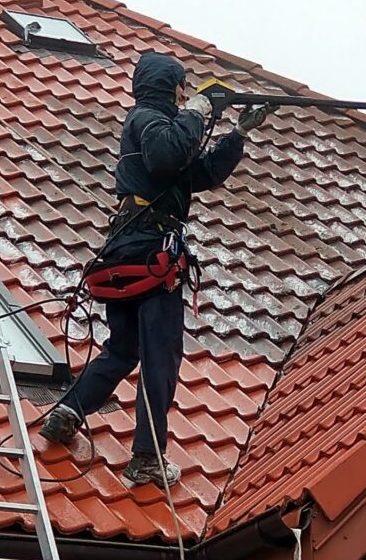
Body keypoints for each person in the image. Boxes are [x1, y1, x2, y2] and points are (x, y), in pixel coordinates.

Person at [40, 51, 270, 487]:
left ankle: (68, 411)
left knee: (124, 348)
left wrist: (236, 134)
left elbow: (195, 174)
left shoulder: (151, 127)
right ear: (171, 87)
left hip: (128, 249)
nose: (187, 94)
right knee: (160, 354)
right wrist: (201, 111)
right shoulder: (148, 120)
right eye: (183, 87)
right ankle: (146, 456)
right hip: (152, 252)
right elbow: (170, 155)